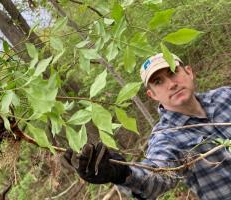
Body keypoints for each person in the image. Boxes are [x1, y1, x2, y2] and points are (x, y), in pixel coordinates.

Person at [64, 53, 231, 200]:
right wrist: (121, 173)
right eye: (158, 81)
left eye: (173, 72)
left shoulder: (225, 96)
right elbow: (155, 176)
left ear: (189, 72)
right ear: (152, 95)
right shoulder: (166, 137)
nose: (171, 84)